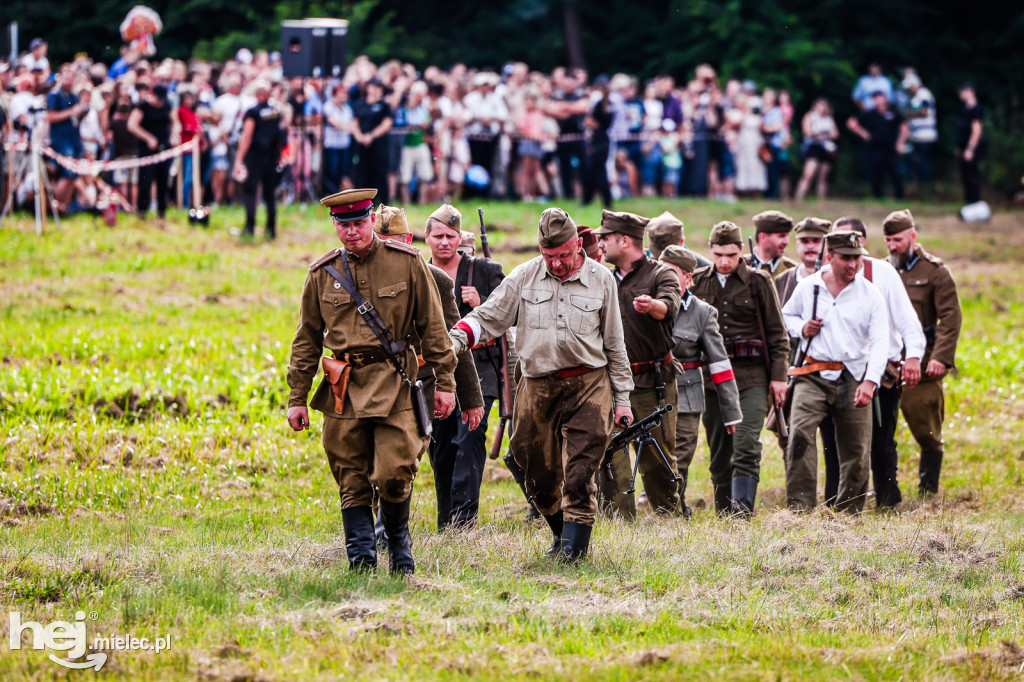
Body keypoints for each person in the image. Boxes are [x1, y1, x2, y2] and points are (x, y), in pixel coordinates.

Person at [285, 188, 457, 574]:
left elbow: (434, 328)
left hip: (395, 380)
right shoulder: (321, 273)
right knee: (351, 476)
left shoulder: (407, 263)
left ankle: (398, 545)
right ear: (334, 225)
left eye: (359, 224)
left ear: (370, 222)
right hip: (343, 387)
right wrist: (297, 397)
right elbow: (306, 339)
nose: (351, 233)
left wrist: (445, 383)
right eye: (343, 225)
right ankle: (361, 560)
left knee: (396, 471)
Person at [449, 208, 633, 563]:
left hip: (588, 385)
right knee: (536, 472)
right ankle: (562, 535)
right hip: (536, 386)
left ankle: (574, 554)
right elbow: (490, 317)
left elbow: (614, 344)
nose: (558, 263)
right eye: (549, 256)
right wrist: (459, 336)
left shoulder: (601, 280)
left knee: (580, 473)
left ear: (578, 245)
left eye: (564, 255)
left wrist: (622, 398)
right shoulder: (524, 276)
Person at [815, 216, 926, 510]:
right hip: (832, 372)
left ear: (861, 243)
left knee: (880, 439)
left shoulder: (884, 273)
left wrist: (913, 356)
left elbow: (907, 322)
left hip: (881, 370)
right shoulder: (819, 279)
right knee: (832, 440)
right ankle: (835, 501)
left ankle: (888, 499)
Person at [782, 231, 889, 513]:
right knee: (800, 436)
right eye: (847, 258)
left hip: (853, 375)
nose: (853, 265)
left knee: (857, 449)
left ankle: (848, 513)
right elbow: (787, 315)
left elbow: (880, 342)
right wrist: (802, 328)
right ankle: (799, 510)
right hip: (812, 373)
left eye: (857, 258)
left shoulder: (871, 294)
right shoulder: (809, 287)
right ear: (829, 258)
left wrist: (870, 382)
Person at [690, 222, 789, 515]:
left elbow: (777, 333)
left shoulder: (758, 282)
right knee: (720, 450)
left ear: (741, 251)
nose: (723, 261)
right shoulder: (697, 282)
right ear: (710, 250)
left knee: (746, 443)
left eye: (730, 254)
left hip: (751, 377)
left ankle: (742, 511)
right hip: (712, 380)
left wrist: (779, 378)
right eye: (718, 254)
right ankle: (724, 512)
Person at [594, 210, 681, 517]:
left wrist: (652, 305)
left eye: (605, 238)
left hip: (650, 383)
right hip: (610, 385)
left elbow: (670, 305)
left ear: (625, 241)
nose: (600, 243)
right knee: (610, 456)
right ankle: (619, 525)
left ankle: (670, 519)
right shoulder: (600, 277)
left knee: (656, 460)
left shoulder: (661, 274)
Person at [424, 204, 505, 530]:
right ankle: (446, 519)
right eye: (438, 235)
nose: (445, 242)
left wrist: (480, 303)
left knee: (469, 439)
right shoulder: (420, 272)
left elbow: (508, 315)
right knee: (440, 446)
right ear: (427, 237)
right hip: (436, 371)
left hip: (480, 368)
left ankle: (464, 521)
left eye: (451, 236)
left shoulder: (485, 270)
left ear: (460, 237)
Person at [883, 209, 962, 495]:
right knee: (879, 433)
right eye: (889, 240)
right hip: (886, 363)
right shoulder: (882, 270)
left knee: (927, 431)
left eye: (898, 239)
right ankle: (884, 491)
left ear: (913, 237)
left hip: (925, 365)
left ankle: (928, 490)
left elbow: (951, 318)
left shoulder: (934, 271)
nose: (893, 246)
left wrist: (941, 357)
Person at [659, 246, 741, 518]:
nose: (665, 279)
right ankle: (669, 508)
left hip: (687, 396)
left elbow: (719, 364)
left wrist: (731, 413)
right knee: (653, 459)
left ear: (688, 278)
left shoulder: (703, 313)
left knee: (679, 458)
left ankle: (669, 514)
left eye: (672, 274)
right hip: (649, 392)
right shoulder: (647, 305)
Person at [233, 80, 286, 240]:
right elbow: (280, 136)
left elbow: (247, 136)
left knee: (250, 193)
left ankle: (250, 227)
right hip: (271, 158)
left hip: (254, 158)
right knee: (269, 195)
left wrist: (239, 159)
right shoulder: (275, 112)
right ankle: (271, 229)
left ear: (257, 95)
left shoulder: (252, 112)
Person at [846, 91, 908, 200]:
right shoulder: (869, 114)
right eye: (876, 99)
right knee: (876, 174)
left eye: (881, 98)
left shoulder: (894, 114)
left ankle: (900, 197)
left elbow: (904, 128)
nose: (879, 101)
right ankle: (878, 197)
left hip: (890, 149)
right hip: (874, 149)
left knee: (895, 173)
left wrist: (900, 142)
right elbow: (851, 123)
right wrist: (862, 133)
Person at [128, 83, 177, 221]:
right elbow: (132, 125)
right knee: (145, 181)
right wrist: (148, 138)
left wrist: (174, 135)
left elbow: (175, 122)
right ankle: (142, 210)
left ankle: (162, 211)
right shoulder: (143, 106)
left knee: (163, 181)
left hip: (164, 148)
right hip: (146, 150)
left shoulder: (168, 105)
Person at [46, 65, 88, 211]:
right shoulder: (54, 95)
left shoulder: (74, 96)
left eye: (71, 77)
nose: (69, 80)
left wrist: (82, 112)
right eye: (66, 77)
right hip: (61, 140)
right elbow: (50, 117)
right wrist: (71, 111)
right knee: (66, 174)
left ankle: (63, 208)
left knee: (73, 175)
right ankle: (54, 207)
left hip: (74, 139)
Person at [351, 80, 394, 205]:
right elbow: (354, 122)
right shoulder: (360, 104)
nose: (376, 91)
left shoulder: (384, 106)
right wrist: (359, 136)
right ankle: (364, 203)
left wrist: (371, 136)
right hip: (362, 147)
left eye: (379, 88)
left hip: (379, 146)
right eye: (374, 87)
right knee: (362, 175)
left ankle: (384, 204)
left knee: (380, 175)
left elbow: (387, 124)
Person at [795, 98, 838, 201]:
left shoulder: (829, 119)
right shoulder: (810, 116)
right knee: (808, 174)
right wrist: (820, 135)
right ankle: (798, 198)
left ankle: (821, 200)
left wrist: (825, 136)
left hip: (826, 149)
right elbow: (807, 131)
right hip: (813, 147)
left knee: (823, 177)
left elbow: (835, 134)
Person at [900, 74, 937, 186]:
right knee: (914, 161)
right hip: (916, 134)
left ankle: (926, 187)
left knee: (923, 162)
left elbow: (923, 111)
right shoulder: (914, 97)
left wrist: (908, 114)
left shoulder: (924, 94)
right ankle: (918, 185)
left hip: (925, 134)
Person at [955, 83, 986, 205]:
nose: (960, 94)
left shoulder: (976, 109)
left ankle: (975, 201)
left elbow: (976, 129)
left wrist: (970, 149)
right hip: (963, 147)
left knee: (972, 175)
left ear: (970, 91)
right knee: (966, 175)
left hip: (971, 147)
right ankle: (969, 201)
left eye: (963, 91)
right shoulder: (965, 109)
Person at [645, 210, 711, 268]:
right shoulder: (640, 262)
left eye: (668, 258)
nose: (661, 262)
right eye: (656, 256)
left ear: (681, 242)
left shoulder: (703, 269)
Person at [747, 209, 796, 275]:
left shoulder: (792, 271)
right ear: (763, 237)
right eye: (781, 236)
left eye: (787, 236)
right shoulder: (740, 268)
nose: (787, 242)